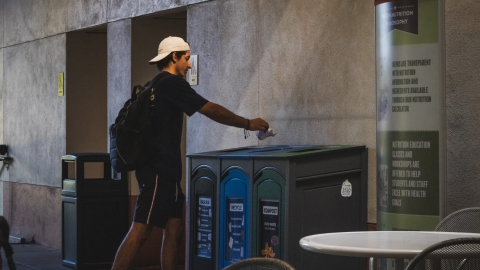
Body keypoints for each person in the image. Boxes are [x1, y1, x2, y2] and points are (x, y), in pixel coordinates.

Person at [111, 36, 269, 270]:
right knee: (141, 229)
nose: (190, 64)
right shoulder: (170, 83)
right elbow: (210, 109)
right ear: (174, 57)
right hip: (157, 172)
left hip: (167, 172)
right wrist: (247, 123)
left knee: (174, 230)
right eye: (186, 58)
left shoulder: (155, 84)